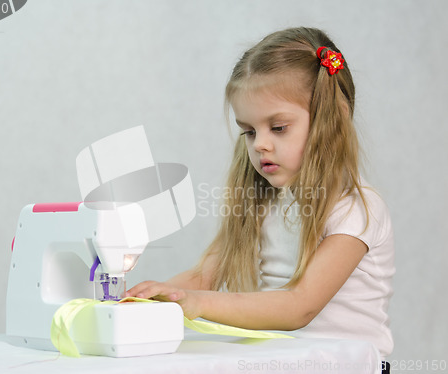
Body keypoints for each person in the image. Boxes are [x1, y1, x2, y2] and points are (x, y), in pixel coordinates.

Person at [126, 27, 395, 368]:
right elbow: (203, 277)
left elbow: (300, 306)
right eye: (249, 131)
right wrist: (143, 301)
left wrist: (194, 303)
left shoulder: (355, 208)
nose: (260, 145)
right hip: (288, 360)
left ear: (332, 119)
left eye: (278, 127)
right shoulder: (263, 202)